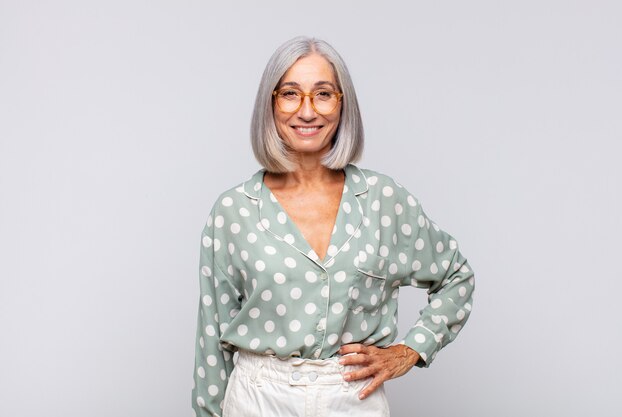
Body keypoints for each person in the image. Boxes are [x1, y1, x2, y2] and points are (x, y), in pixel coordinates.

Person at [192, 36, 474, 417]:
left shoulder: (382, 200)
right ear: (271, 103)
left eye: (323, 94)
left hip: (351, 396)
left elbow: (456, 276)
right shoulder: (234, 211)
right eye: (291, 93)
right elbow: (213, 339)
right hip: (258, 399)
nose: (307, 111)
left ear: (343, 105)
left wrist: (410, 351)